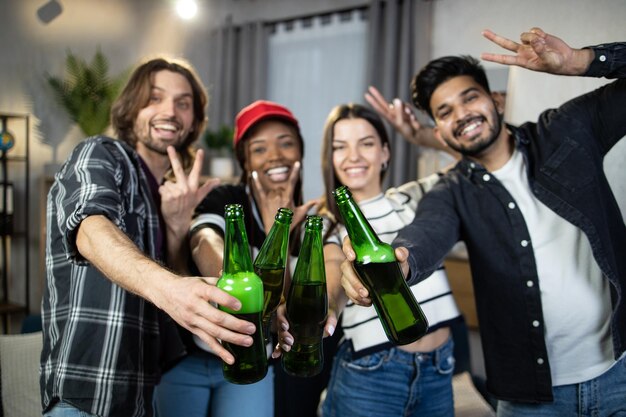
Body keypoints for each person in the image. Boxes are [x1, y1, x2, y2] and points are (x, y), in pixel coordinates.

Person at [339, 28, 626, 416]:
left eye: (469, 98)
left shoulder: (567, 130)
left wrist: (582, 60)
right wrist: (399, 261)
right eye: (445, 112)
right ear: (438, 130)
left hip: (619, 374)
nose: (462, 116)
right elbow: (425, 234)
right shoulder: (451, 192)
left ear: (495, 100)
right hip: (531, 397)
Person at [40, 57, 257, 417]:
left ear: (194, 121)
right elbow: (91, 230)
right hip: (86, 398)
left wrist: (176, 226)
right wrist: (171, 289)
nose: (170, 111)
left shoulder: (169, 193)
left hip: (144, 398)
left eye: (183, 103)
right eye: (154, 98)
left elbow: (174, 288)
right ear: (130, 108)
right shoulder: (101, 152)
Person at [273, 103, 462, 416]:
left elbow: (472, 159)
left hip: (441, 367)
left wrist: (420, 135)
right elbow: (334, 271)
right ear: (330, 159)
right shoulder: (327, 223)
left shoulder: (417, 196)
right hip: (373, 372)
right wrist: (331, 306)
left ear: (386, 152)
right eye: (340, 147)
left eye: (367, 143)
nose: (353, 156)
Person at [154, 100, 320, 417]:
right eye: (259, 149)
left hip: (253, 359)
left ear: (300, 151)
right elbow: (203, 239)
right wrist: (233, 280)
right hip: (188, 357)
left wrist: (277, 234)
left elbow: (278, 306)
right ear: (246, 161)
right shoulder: (226, 199)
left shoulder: (308, 221)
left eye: (286, 143)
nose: (275, 155)